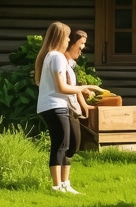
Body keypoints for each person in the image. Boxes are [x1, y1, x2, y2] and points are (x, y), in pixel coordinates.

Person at [35, 21, 98, 192]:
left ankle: (64, 184)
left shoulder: (51, 56)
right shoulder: (56, 57)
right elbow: (61, 87)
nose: (69, 40)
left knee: (67, 144)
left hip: (55, 105)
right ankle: (57, 186)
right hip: (56, 105)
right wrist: (84, 88)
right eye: (68, 36)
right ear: (61, 37)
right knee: (61, 144)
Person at [60, 28, 94, 193]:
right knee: (70, 144)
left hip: (72, 107)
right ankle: (62, 183)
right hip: (64, 107)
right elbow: (68, 88)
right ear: (71, 43)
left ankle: (64, 182)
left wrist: (84, 105)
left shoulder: (71, 64)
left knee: (72, 145)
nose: (82, 49)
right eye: (80, 44)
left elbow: (75, 88)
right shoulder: (61, 62)